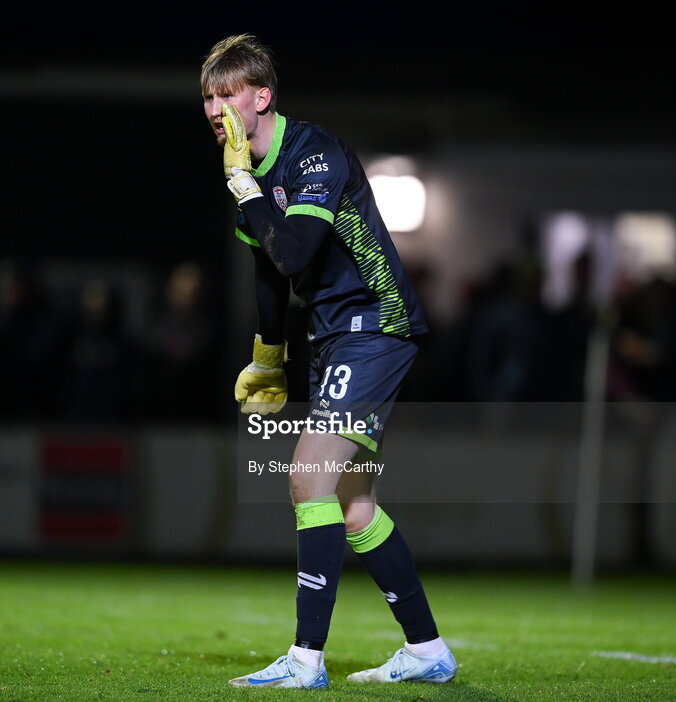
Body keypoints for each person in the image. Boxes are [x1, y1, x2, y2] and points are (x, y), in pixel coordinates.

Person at [202, 35, 456, 689]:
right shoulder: (249, 172)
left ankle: (306, 660)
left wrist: (240, 184)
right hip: (334, 335)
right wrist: (268, 358)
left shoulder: (314, 153)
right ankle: (428, 651)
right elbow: (265, 272)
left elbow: (293, 253)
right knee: (353, 505)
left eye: (226, 94)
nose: (214, 107)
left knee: (307, 476)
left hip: (376, 324)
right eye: (207, 96)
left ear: (261, 98)